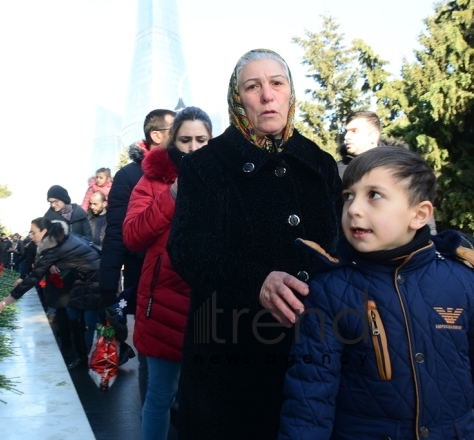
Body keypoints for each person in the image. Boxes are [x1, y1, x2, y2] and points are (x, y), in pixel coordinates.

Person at [166, 49, 343, 439]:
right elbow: (187, 248)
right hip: (230, 361)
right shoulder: (205, 165)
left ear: (290, 93)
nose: (267, 95)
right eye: (253, 86)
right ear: (237, 99)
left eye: (277, 83)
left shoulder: (320, 163)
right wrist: (255, 280)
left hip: (313, 357)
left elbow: (341, 248)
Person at [279, 146, 474, 438]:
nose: (354, 209)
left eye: (374, 195)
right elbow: (310, 398)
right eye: (348, 196)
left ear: (419, 215)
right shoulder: (329, 291)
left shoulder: (462, 280)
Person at [123, 106, 212, 440]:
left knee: (206, 401)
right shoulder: (153, 180)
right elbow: (132, 236)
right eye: (185, 139)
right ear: (173, 142)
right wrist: (172, 194)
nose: (193, 147)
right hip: (163, 307)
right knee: (159, 396)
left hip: (211, 308)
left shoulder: (229, 180)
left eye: (201, 140)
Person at [98, 108, 176, 403]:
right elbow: (116, 231)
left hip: (185, 279)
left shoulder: (191, 167)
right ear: (157, 135)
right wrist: (107, 285)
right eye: (175, 128)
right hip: (146, 278)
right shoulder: (130, 176)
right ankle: (151, 415)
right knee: (150, 355)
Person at [0, 220, 101, 370]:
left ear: (44, 231)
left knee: (91, 323)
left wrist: (6, 302)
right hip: (85, 280)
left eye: (33, 232)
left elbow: (34, 276)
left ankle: (94, 361)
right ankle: (83, 359)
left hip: (94, 281)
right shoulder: (64, 238)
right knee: (73, 314)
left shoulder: (54, 247)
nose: (30, 236)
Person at [339, 111, 438, 235]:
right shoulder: (336, 171)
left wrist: (430, 242)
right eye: (349, 196)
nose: (347, 136)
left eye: (354, 131)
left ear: (373, 136)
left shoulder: (403, 167)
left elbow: (420, 208)